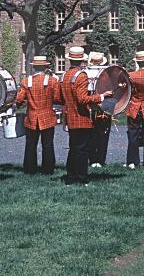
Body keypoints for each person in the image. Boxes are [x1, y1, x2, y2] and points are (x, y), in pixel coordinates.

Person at [59, 46, 111, 186]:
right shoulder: (81, 76)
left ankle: (71, 176)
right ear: (82, 60)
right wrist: (100, 97)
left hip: (69, 116)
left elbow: (59, 97)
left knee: (74, 147)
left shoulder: (64, 75)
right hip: (81, 116)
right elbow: (82, 99)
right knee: (82, 149)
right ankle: (81, 178)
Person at [15, 56, 60, 174]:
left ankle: (30, 169)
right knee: (48, 145)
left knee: (30, 145)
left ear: (33, 67)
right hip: (47, 116)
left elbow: (19, 99)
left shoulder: (26, 81)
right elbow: (57, 98)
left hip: (31, 117)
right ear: (45, 68)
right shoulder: (52, 81)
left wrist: (23, 102)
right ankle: (48, 169)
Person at [86, 51, 111, 168]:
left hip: (90, 105)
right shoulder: (107, 73)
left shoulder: (85, 72)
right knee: (103, 133)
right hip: (104, 105)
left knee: (91, 133)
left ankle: (92, 159)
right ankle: (101, 159)